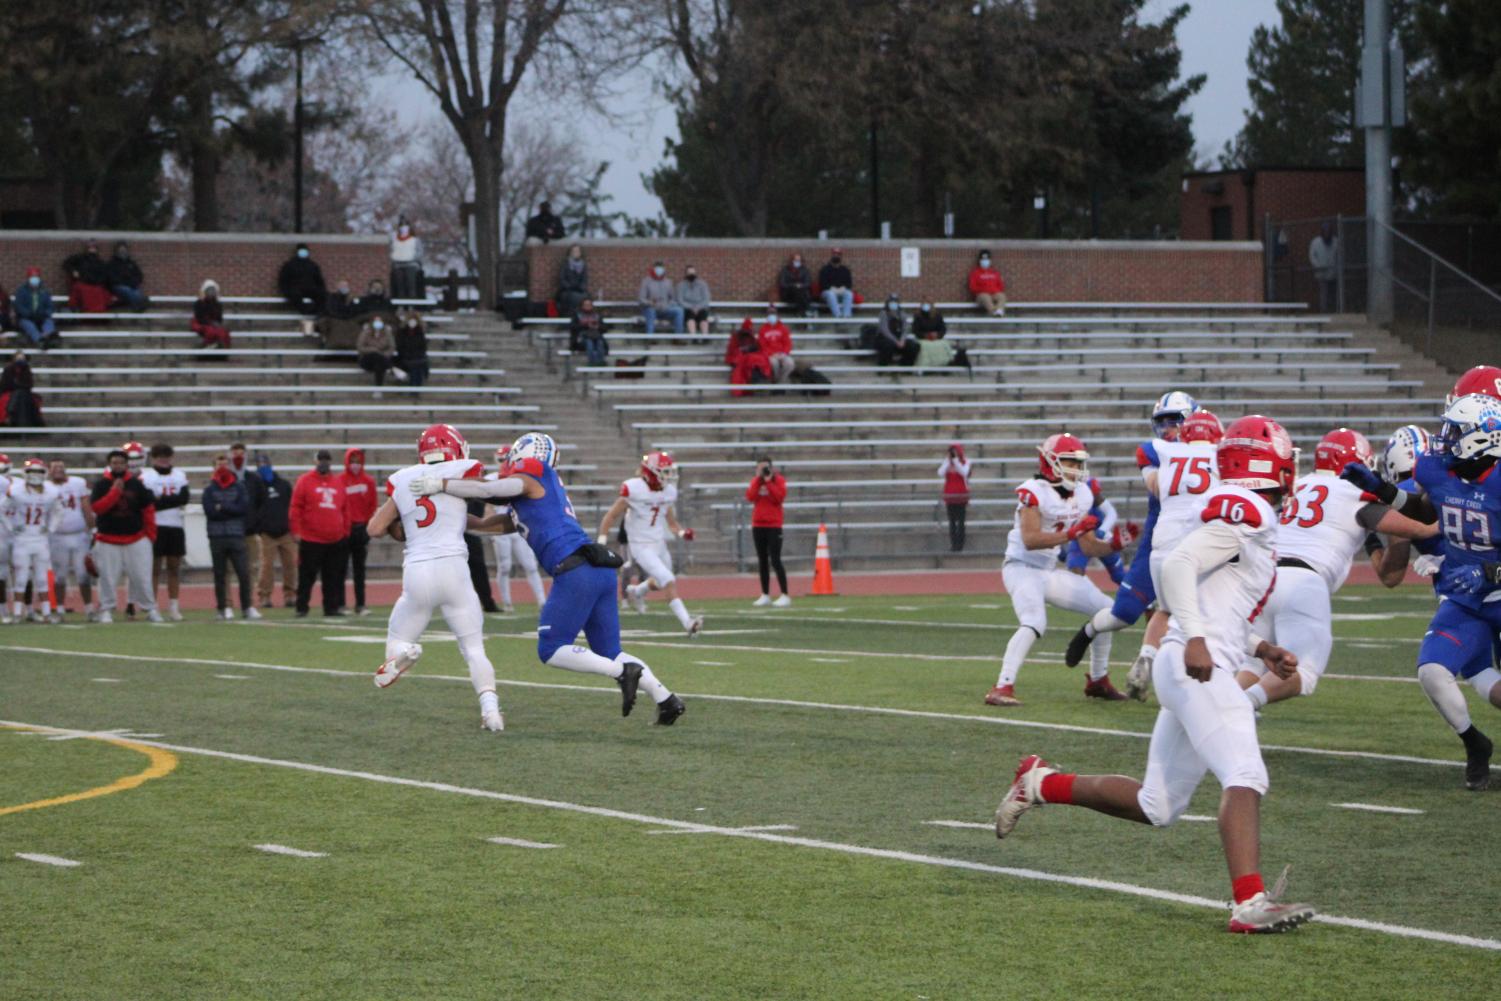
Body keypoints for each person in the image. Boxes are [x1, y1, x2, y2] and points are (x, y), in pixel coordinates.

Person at [993, 416, 1319, 937]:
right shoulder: (1251, 507)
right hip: (1195, 663)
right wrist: (1193, 636)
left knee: (1158, 804)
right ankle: (1248, 902)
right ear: (1269, 463)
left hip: (1186, 660)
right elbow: (1179, 569)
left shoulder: (1234, 512)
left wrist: (1261, 647)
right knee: (1246, 774)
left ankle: (1040, 783)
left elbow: (1204, 594)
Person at [408, 429, 685, 724]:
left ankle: (622, 673)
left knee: (551, 648)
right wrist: (446, 520)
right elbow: (490, 524)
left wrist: (439, 484)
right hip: (598, 570)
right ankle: (666, 699)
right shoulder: (533, 497)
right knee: (610, 651)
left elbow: (490, 488)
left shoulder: (533, 470)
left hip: (577, 570)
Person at [1345, 392, 1501, 791]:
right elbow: (1429, 511)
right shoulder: (1437, 470)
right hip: (1467, 598)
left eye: (1454, 431)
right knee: (1432, 670)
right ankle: (1474, 744)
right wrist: (1384, 491)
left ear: (1481, 437)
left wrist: (1489, 570)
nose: (1444, 439)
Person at [1236, 428, 1437, 710]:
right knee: (1303, 673)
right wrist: (1448, 520)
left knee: (1251, 664)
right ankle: (1239, 707)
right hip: (1303, 580)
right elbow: (1421, 530)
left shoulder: (1301, 485)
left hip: (1260, 578)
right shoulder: (1353, 492)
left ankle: (1217, 711)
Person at [367, 424, 512, 730]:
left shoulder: (405, 479)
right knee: (474, 649)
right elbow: (476, 499)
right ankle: (491, 711)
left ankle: (406, 653)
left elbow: (375, 529)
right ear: (455, 447)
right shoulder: (462, 470)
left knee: (398, 639)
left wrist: (403, 528)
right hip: (454, 569)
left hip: (418, 571)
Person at [1060, 391, 1199, 701]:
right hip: (1160, 542)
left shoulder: (1212, 451)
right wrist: (1187, 462)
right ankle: (1088, 632)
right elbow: (1156, 486)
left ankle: (1162, 669)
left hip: (1201, 542)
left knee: (1200, 611)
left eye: (1175, 421)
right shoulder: (1153, 451)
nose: (1168, 429)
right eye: (1162, 423)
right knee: (1124, 613)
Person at [986, 433, 1131, 707]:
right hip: (1021, 568)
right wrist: (1071, 535)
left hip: (1048, 571)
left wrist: (1113, 544)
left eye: (1078, 464)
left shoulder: (1082, 495)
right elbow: (1030, 539)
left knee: (1108, 611)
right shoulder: (1034, 491)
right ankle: (1002, 686)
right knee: (1034, 621)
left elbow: (1088, 547)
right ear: (1051, 463)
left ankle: (1098, 680)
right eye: (1070, 463)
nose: (1076, 470)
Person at [597, 451, 702, 637]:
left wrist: (682, 533)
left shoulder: (668, 492)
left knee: (661, 582)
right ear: (651, 472)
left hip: (659, 544)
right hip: (640, 546)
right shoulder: (634, 489)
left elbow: (671, 522)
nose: (668, 476)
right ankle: (688, 622)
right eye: (665, 471)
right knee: (668, 579)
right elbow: (611, 516)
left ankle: (637, 590)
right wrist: (602, 541)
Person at [90, 448, 161, 623]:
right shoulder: (101, 485)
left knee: (142, 576)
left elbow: (148, 509)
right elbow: (98, 508)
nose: (118, 466)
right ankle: (106, 609)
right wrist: (114, 492)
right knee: (107, 577)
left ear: (126, 465)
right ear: (109, 464)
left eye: (121, 463)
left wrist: (150, 535)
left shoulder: (137, 484)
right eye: (115, 463)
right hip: (108, 538)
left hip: (135, 537)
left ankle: (150, 608)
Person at [290, 449, 351, 618]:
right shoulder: (304, 481)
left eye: (326, 459)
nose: (324, 463)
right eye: (321, 459)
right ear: (315, 461)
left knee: (332, 577)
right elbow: (296, 507)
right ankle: (302, 607)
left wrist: (345, 531)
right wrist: (296, 530)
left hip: (335, 539)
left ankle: (331, 607)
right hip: (311, 538)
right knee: (306, 576)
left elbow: (345, 509)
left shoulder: (338, 482)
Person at [486, 448, 547, 614]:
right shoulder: (491, 478)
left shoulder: (521, 477)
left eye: (506, 459)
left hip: (518, 526)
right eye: (500, 460)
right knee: (504, 566)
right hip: (500, 527)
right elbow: (486, 504)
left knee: (530, 565)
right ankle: (507, 602)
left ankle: (542, 601)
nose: (504, 463)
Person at [2, 459, 62, 622]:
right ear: (25, 473)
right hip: (22, 539)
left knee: (42, 577)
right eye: (31, 472)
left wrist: (50, 528)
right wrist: (11, 527)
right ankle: (16, 613)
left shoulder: (51, 491)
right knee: (21, 577)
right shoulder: (16, 491)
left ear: (44, 474)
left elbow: (58, 511)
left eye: (38, 472)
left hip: (40, 539)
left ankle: (47, 612)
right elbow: (2, 509)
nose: (35, 475)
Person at [202, 452, 258, 620]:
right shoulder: (209, 489)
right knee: (220, 574)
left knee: (243, 572)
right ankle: (223, 607)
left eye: (225, 463)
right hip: (216, 536)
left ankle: (247, 607)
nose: (223, 467)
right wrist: (230, 509)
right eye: (219, 463)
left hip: (236, 534)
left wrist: (223, 507)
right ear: (214, 466)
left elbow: (243, 509)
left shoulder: (239, 487)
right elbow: (210, 511)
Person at [140, 443, 190, 621]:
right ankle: (152, 606)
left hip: (175, 524)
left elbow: (184, 498)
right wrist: (170, 500)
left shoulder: (179, 475)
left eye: (166, 456)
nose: (163, 459)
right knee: (154, 568)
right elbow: (148, 501)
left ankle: (174, 606)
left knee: (174, 567)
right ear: (153, 458)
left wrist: (162, 500)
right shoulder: (147, 476)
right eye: (159, 456)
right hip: (155, 525)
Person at [47, 460, 94, 618]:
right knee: (59, 575)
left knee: (83, 574)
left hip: (79, 534)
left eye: (61, 466)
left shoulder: (77, 482)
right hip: (57, 536)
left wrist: (92, 528)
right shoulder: (46, 487)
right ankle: (59, 608)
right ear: (49, 471)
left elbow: (86, 505)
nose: (59, 470)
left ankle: (89, 608)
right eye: (55, 467)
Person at [251, 452, 297, 610]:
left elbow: (292, 506)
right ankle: (264, 596)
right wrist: (259, 527)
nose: (263, 466)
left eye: (265, 463)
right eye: (259, 464)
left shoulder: (283, 485)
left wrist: (293, 527)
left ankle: (290, 594)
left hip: (285, 531)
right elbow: (253, 507)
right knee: (266, 566)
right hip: (266, 533)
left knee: (291, 564)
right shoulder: (256, 485)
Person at [747, 457, 790, 607]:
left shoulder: (778, 480)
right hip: (758, 525)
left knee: (776, 559)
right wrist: (759, 481)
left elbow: (779, 498)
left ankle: (785, 594)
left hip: (774, 525)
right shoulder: (755, 482)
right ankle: (765, 594)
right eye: (759, 468)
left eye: (765, 468)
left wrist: (769, 482)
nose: (762, 471)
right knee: (762, 560)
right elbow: (750, 497)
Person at [340, 448, 377, 616]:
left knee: (359, 569)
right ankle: (340, 604)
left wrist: (368, 528)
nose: (355, 465)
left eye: (358, 461)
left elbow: (372, 505)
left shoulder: (368, 481)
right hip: (344, 529)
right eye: (352, 461)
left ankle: (360, 604)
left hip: (361, 528)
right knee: (340, 569)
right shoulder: (340, 480)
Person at [278, 243, 327, 337]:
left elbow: (320, 281)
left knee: (323, 296)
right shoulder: (289, 265)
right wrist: (287, 292)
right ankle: (305, 311)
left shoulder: (313, 265)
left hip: (311, 290)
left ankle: (313, 315)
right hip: (296, 291)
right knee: (295, 295)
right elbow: (283, 281)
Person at [13, 267, 58, 349]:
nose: (34, 279)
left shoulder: (45, 291)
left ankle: (48, 337)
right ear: (28, 278)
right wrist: (29, 314)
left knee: (49, 322)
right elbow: (18, 306)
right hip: (26, 318)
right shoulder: (21, 291)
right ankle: (40, 341)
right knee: (29, 325)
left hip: (41, 317)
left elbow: (50, 306)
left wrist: (44, 314)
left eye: (36, 277)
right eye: (32, 277)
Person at [939, 444, 972, 552]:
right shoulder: (947, 462)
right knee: (952, 522)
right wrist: (948, 461)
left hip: (961, 495)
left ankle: (960, 545)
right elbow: (940, 473)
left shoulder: (965, 461)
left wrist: (956, 461)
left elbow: (964, 473)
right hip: (950, 495)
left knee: (961, 521)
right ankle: (953, 545)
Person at [63, 239, 111, 312]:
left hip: (95, 285)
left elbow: (104, 275)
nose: (92, 248)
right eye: (90, 246)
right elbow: (67, 263)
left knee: (100, 293)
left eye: (94, 246)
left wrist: (98, 281)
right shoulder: (80, 258)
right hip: (83, 283)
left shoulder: (100, 262)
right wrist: (73, 271)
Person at [727, 318, 772, 396]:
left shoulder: (752, 338)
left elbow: (759, 348)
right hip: (741, 359)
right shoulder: (736, 337)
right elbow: (733, 352)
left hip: (749, 360)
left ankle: (756, 380)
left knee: (758, 360)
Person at [638, 261, 683, 334]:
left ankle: (678, 337)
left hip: (665, 309)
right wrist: (649, 302)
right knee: (650, 312)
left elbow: (673, 299)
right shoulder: (646, 281)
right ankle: (650, 338)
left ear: (664, 270)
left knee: (679, 310)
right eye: (657, 268)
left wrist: (668, 305)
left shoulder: (668, 282)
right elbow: (641, 299)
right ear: (653, 269)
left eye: (661, 268)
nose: (659, 270)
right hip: (651, 308)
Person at [1, 350, 44, 427]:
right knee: (18, 394)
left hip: (24, 393)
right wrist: (17, 385)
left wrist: (17, 385)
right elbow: (5, 384)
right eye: (18, 358)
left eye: (22, 358)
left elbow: (29, 384)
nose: (20, 360)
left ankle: (12, 411)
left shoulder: (26, 370)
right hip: (10, 392)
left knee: (21, 394)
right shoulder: (8, 369)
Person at [356, 316, 401, 388]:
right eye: (376, 321)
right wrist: (373, 350)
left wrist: (383, 354)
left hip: (382, 360)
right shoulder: (366, 332)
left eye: (379, 321)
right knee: (375, 355)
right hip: (367, 359)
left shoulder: (387, 333)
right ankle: (392, 368)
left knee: (379, 365)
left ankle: (378, 389)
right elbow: (360, 347)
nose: (378, 323)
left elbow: (392, 347)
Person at [875, 295, 920, 366]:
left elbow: (905, 329)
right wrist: (896, 341)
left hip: (899, 339)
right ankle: (883, 367)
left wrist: (902, 340)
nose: (893, 304)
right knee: (887, 345)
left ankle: (905, 366)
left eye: (895, 302)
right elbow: (885, 331)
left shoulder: (902, 314)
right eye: (891, 302)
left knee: (914, 346)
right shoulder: (883, 313)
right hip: (885, 339)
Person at [105, 240, 147, 311]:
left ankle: (138, 307)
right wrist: (126, 283)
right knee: (129, 291)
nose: (122, 251)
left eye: (124, 249)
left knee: (136, 292)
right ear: (116, 251)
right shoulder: (112, 263)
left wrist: (134, 282)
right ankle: (140, 307)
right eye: (120, 250)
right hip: (118, 286)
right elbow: (111, 278)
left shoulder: (131, 263)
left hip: (132, 286)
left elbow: (139, 275)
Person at [190, 279, 231, 350]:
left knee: (223, 332)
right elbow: (200, 317)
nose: (211, 293)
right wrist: (211, 323)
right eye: (209, 290)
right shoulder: (199, 303)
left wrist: (216, 323)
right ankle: (208, 346)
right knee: (210, 331)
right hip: (203, 324)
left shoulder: (218, 304)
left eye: (213, 290)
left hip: (214, 324)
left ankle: (220, 347)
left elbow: (219, 318)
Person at [389, 217, 423, 301]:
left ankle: (412, 306)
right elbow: (391, 251)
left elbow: (420, 252)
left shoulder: (415, 240)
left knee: (411, 285)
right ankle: (401, 305)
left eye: (405, 225)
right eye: (402, 226)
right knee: (400, 286)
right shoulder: (394, 240)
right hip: (398, 265)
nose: (403, 228)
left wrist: (413, 258)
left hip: (411, 265)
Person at [757, 307, 794, 383]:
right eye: (770, 313)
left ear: (777, 315)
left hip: (782, 353)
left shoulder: (783, 328)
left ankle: (781, 381)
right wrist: (772, 354)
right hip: (770, 355)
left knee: (790, 363)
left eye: (773, 313)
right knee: (774, 363)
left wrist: (784, 353)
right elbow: (762, 345)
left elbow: (787, 343)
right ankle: (776, 381)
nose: (772, 315)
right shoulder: (763, 329)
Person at [1308, 222, 1339, 313]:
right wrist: (1318, 266)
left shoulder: (1336, 242)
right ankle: (1324, 311)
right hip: (1321, 273)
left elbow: (1339, 256)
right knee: (1323, 293)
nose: (1327, 233)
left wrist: (1337, 267)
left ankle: (1334, 310)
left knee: (1333, 294)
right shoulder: (1315, 242)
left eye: (1328, 231)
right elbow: (1312, 256)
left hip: (1333, 272)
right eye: (1325, 231)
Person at [395, 310, 430, 387]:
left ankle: (415, 388)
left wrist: (416, 354)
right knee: (415, 365)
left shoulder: (420, 332)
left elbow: (423, 347)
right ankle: (414, 388)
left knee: (417, 365)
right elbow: (399, 346)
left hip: (417, 356)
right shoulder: (401, 332)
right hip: (404, 356)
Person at [968, 250, 1007, 316]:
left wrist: (994, 291)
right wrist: (984, 290)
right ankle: (993, 312)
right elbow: (972, 287)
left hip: (994, 294)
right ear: (980, 260)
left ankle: (999, 311)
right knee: (986, 297)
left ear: (990, 260)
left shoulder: (994, 272)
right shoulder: (975, 273)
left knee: (1001, 296)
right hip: (981, 295)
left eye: (987, 259)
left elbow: (1001, 286)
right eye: (983, 259)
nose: (985, 261)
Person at [571, 299, 608, 367]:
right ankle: (592, 362)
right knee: (589, 342)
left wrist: (597, 327)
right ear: (582, 306)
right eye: (586, 305)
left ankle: (601, 361)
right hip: (582, 338)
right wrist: (586, 325)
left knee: (600, 342)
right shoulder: (577, 315)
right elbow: (573, 327)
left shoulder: (597, 315)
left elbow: (605, 328)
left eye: (589, 305)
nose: (588, 306)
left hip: (596, 336)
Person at [676, 264, 712, 336]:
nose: (691, 275)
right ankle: (693, 337)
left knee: (703, 318)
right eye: (689, 273)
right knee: (690, 318)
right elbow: (680, 300)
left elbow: (706, 298)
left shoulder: (702, 284)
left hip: (701, 308)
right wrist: (691, 307)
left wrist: (698, 307)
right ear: (686, 274)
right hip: (687, 309)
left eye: (693, 273)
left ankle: (705, 337)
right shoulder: (681, 285)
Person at [818, 249, 854, 318]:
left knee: (849, 294)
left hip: (841, 291)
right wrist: (832, 289)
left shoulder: (845, 270)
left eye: (838, 254)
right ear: (832, 255)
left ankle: (846, 316)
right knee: (830, 294)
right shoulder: (825, 269)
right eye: (834, 254)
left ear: (841, 256)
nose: (836, 256)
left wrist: (842, 289)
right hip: (828, 292)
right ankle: (838, 316)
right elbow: (822, 284)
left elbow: (849, 284)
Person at [557, 244, 589, 318]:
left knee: (585, 297)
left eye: (577, 251)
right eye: (574, 251)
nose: (576, 253)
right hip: (567, 290)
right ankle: (569, 317)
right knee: (569, 297)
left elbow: (584, 279)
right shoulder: (566, 264)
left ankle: (581, 317)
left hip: (579, 290)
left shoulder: (583, 265)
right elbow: (562, 278)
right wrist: (569, 286)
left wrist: (581, 287)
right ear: (570, 252)